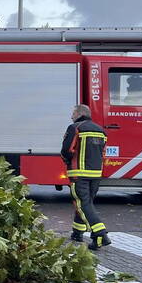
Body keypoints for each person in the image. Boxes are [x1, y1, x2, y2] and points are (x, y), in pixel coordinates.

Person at [61, 103, 110, 250]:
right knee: (86, 204)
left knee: (82, 204)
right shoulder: (101, 131)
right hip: (95, 174)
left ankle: (100, 234)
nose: (71, 116)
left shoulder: (75, 128)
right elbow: (103, 153)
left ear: (79, 114)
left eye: (73, 113)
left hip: (78, 174)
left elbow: (66, 150)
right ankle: (77, 232)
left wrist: (67, 161)